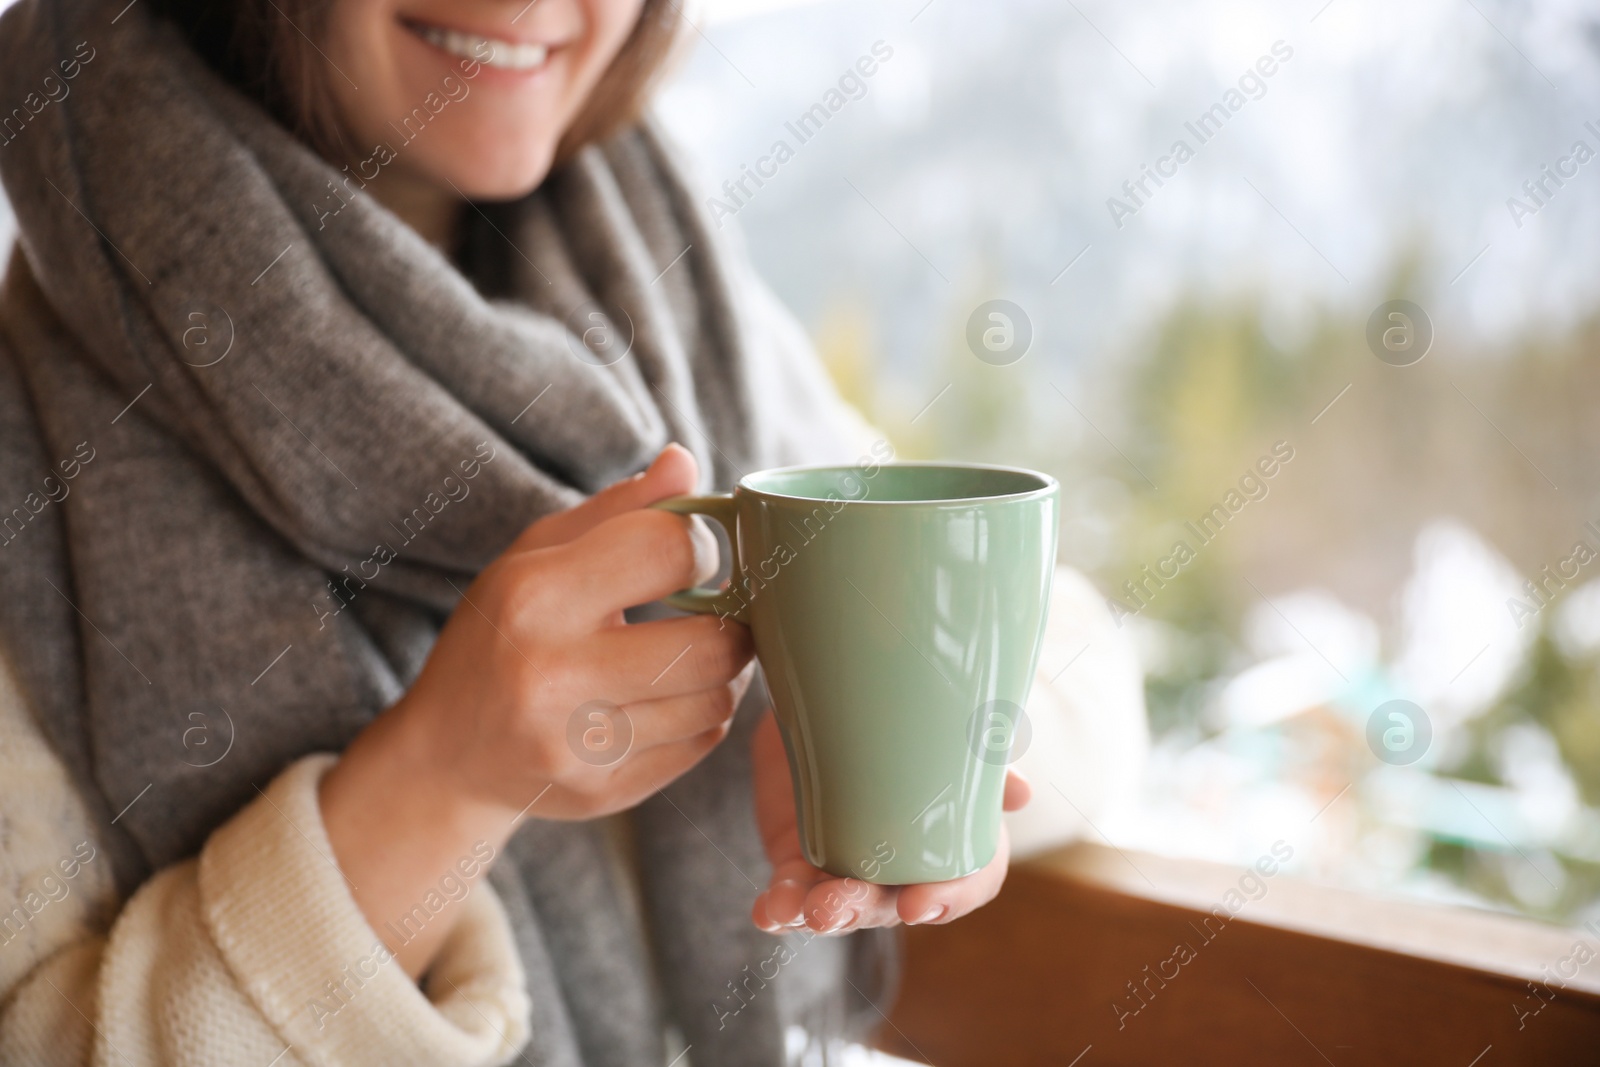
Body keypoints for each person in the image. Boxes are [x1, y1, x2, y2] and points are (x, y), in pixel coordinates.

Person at [0, 1, 1030, 1063]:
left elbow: (1076, 664)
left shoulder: (668, 279)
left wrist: (877, 715)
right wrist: (439, 783)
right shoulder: (28, 446)